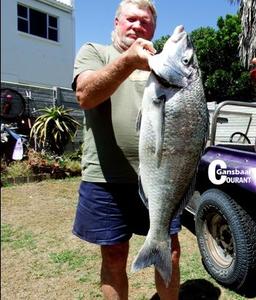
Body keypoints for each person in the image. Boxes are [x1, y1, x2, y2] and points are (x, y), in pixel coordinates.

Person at [71, 1, 181, 299]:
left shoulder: (165, 62)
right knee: (115, 256)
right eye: (131, 19)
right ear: (116, 22)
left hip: (161, 179)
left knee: (169, 253)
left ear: (153, 29)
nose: (137, 26)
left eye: (145, 22)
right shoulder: (95, 52)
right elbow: (85, 95)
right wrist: (128, 61)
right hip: (106, 179)